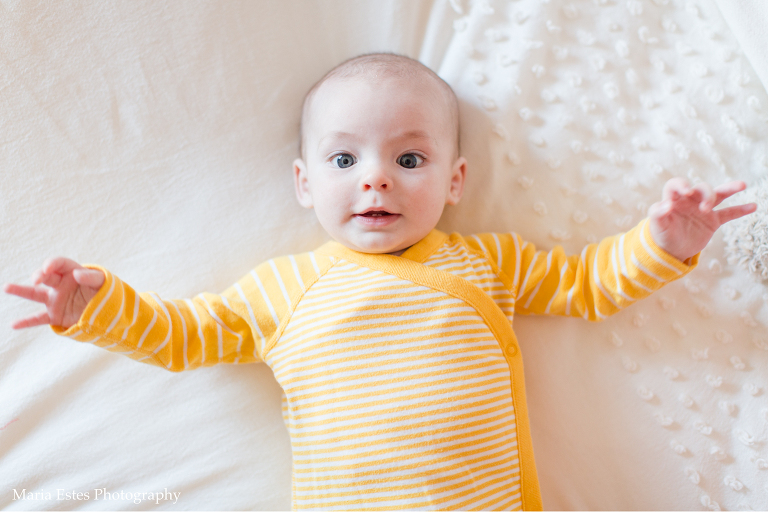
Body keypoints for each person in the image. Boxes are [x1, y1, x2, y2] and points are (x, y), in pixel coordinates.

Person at [4, 53, 757, 511]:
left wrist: (661, 243)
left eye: (408, 159)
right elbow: (188, 336)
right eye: (344, 161)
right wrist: (97, 308)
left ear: (456, 179)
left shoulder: (486, 264)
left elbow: (588, 284)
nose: (376, 183)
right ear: (303, 183)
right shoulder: (285, 287)